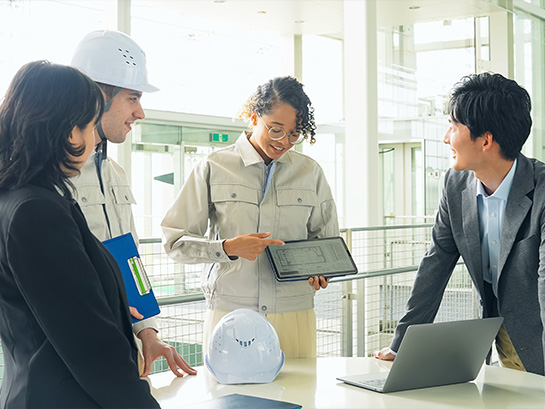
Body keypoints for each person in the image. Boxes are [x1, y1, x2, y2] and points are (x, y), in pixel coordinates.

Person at [0, 60, 160, 408]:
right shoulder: (37, 211)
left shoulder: (15, 197)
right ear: (71, 133)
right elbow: (90, 343)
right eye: (89, 126)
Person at [374, 72, 545, 376]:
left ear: (486, 140)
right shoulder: (456, 185)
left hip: (539, 334)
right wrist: (402, 344)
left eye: (453, 127)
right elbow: (436, 262)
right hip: (502, 336)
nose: (445, 137)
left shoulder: (542, 190)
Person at [161, 76, 340, 358]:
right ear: (254, 117)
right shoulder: (214, 166)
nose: (284, 142)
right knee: (230, 400)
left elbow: (327, 240)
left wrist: (322, 270)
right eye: (276, 129)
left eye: (294, 134)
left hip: (294, 311)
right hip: (231, 311)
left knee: (300, 396)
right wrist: (227, 248)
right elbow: (174, 242)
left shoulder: (310, 172)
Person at [70, 29, 196, 378]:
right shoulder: (50, 179)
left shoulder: (114, 172)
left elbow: (129, 259)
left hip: (122, 344)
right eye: (133, 97)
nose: (140, 112)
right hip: (75, 351)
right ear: (98, 96)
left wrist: (148, 332)